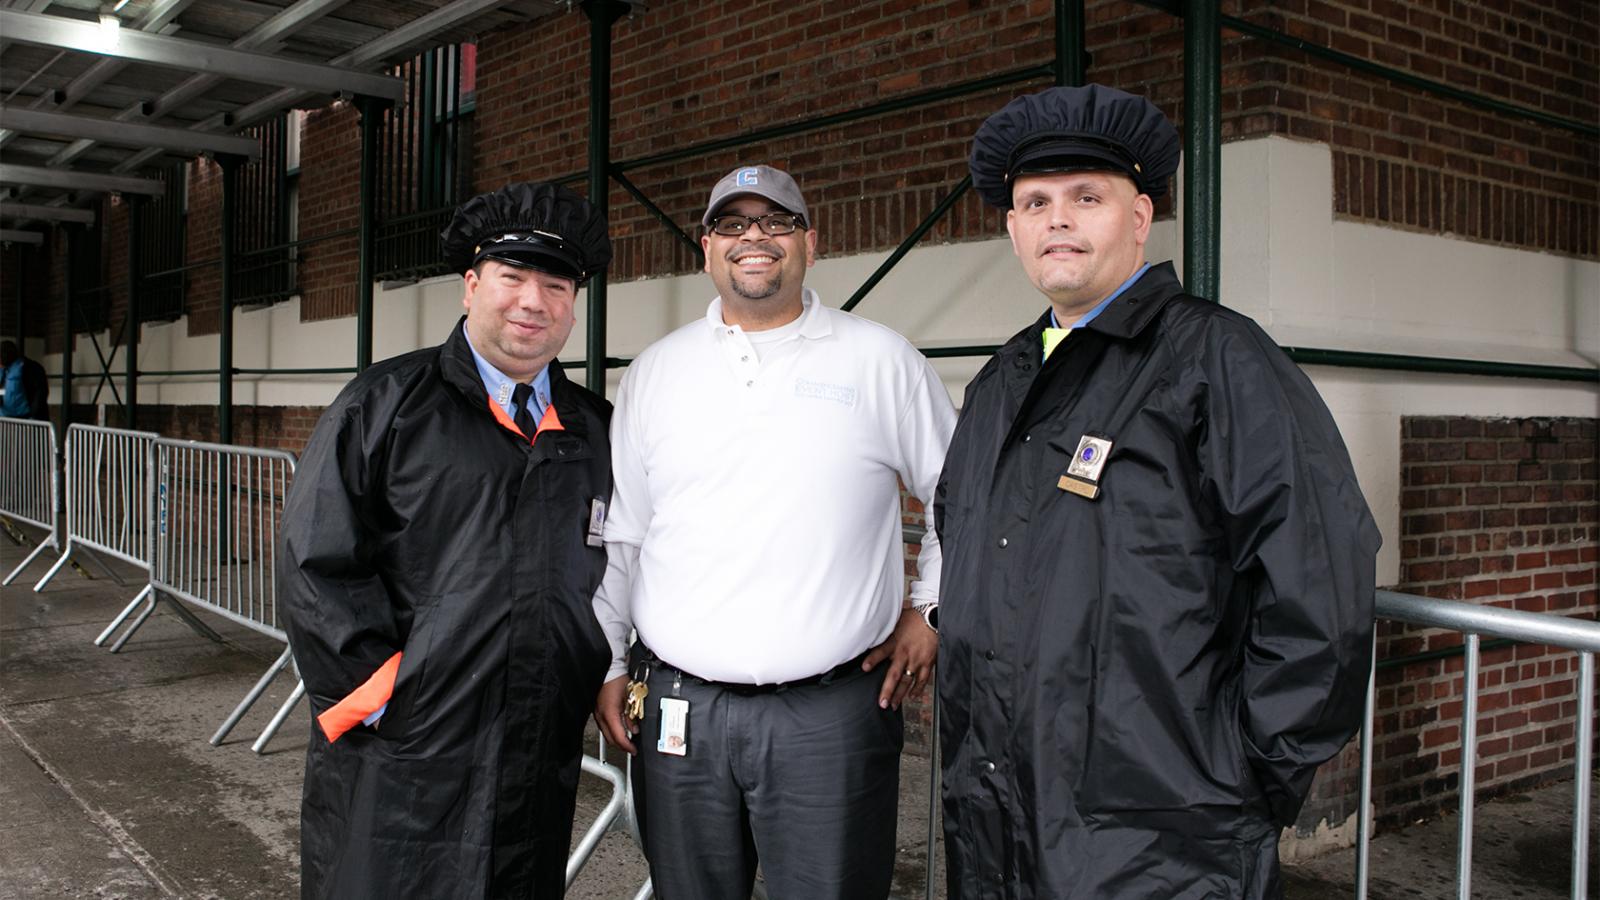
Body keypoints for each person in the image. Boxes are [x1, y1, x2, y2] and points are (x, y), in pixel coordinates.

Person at [935, 84, 1380, 899]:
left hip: (1163, 840)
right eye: (1035, 202)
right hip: (1001, 819)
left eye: (1086, 197)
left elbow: (1321, 588)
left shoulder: (1216, 361)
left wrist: (1244, 782)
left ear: (1138, 219)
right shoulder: (1003, 380)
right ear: (1012, 229)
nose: (1058, 219)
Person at [591, 164, 957, 900]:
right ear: (705, 249)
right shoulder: (655, 374)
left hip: (832, 717)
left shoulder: (881, 360)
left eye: (776, 222)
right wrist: (607, 666)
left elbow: (963, 499)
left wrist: (931, 609)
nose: (753, 238)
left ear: (809, 244)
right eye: (732, 224)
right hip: (679, 711)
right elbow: (624, 538)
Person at [277, 182, 615, 899]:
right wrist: (383, 696)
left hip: (535, 746)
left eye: (555, 285)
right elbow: (318, 560)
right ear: (470, 286)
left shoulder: (597, 429)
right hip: (404, 748)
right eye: (512, 277)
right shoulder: (385, 405)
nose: (533, 301)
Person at [0, 340, 48, 420]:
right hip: (7, 419)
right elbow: (2, 389)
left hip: (26, 418)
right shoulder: (4, 371)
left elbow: (40, 392)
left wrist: (34, 414)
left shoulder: (29, 368)